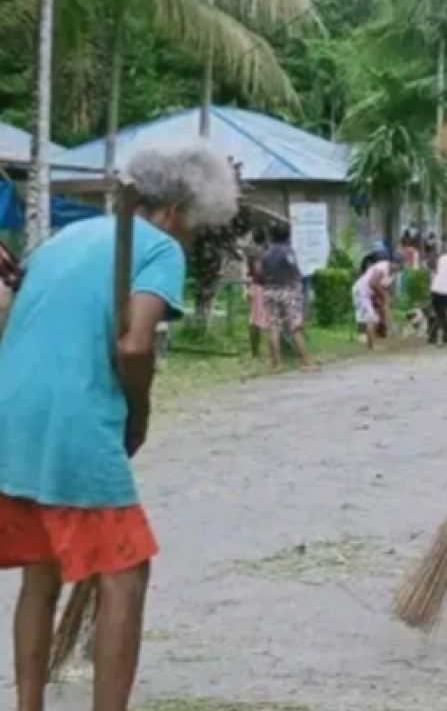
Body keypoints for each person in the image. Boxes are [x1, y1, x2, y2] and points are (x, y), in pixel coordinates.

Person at [0, 146, 239, 711]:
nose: (191, 238)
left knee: (41, 574)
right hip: (73, 419)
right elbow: (134, 345)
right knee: (125, 575)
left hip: (11, 413)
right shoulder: (158, 249)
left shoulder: (65, 239)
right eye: (196, 227)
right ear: (177, 211)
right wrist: (139, 413)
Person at [261, 222, 314, 371]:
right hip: (288, 290)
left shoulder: (267, 253)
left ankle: (276, 364)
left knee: (273, 327)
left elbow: (261, 272)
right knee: (295, 327)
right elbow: (293, 268)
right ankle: (305, 362)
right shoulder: (287, 252)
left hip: (270, 290)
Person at [354, 250, 404, 350]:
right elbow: (373, 283)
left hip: (372, 294)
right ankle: (372, 346)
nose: (398, 268)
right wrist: (382, 295)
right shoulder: (382, 267)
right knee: (371, 317)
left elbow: (386, 287)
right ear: (392, 262)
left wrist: (385, 299)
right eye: (397, 264)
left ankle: (372, 342)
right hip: (362, 292)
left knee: (377, 317)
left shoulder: (393, 273)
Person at [244, 228, 270, 359]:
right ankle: (271, 350)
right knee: (269, 320)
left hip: (258, 286)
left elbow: (255, 271)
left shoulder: (254, 251)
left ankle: (255, 352)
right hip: (266, 286)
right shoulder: (266, 250)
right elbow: (258, 270)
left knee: (255, 321)